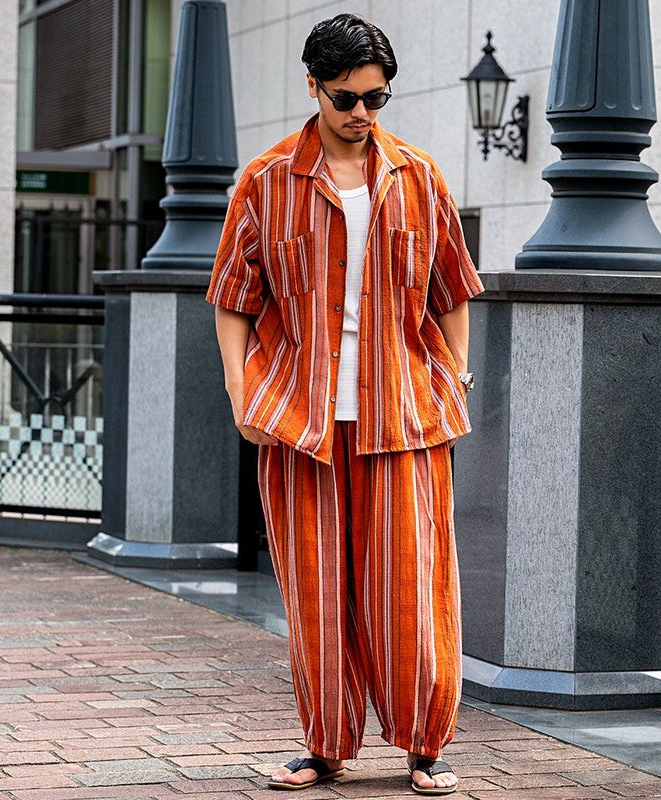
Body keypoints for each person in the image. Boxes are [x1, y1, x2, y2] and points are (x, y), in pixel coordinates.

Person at [207, 13, 483, 795]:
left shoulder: (419, 178)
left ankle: (425, 745)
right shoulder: (266, 182)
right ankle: (325, 745)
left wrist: (454, 374)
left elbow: (452, 290)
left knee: (411, 592)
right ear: (314, 87)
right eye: (346, 97)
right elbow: (232, 296)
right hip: (301, 422)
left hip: (403, 418)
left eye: (376, 98)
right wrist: (239, 388)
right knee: (317, 594)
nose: (362, 112)